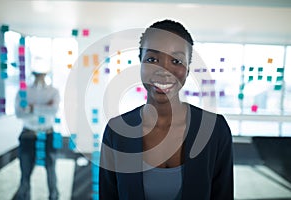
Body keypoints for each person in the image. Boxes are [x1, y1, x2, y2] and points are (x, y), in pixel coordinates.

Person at [99, 19, 233, 200]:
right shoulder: (116, 132)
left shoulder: (215, 129)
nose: (163, 70)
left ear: (187, 69)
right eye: (152, 59)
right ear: (141, 63)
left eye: (176, 61)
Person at [15, 71, 60, 200]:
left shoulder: (53, 91)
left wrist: (31, 107)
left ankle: (54, 196)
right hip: (28, 135)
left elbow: (54, 110)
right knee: (25, 171)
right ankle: (24, 196)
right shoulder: (23, 91)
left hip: (48, 135)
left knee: (51, 170)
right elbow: (19, 113)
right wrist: (44, 107)